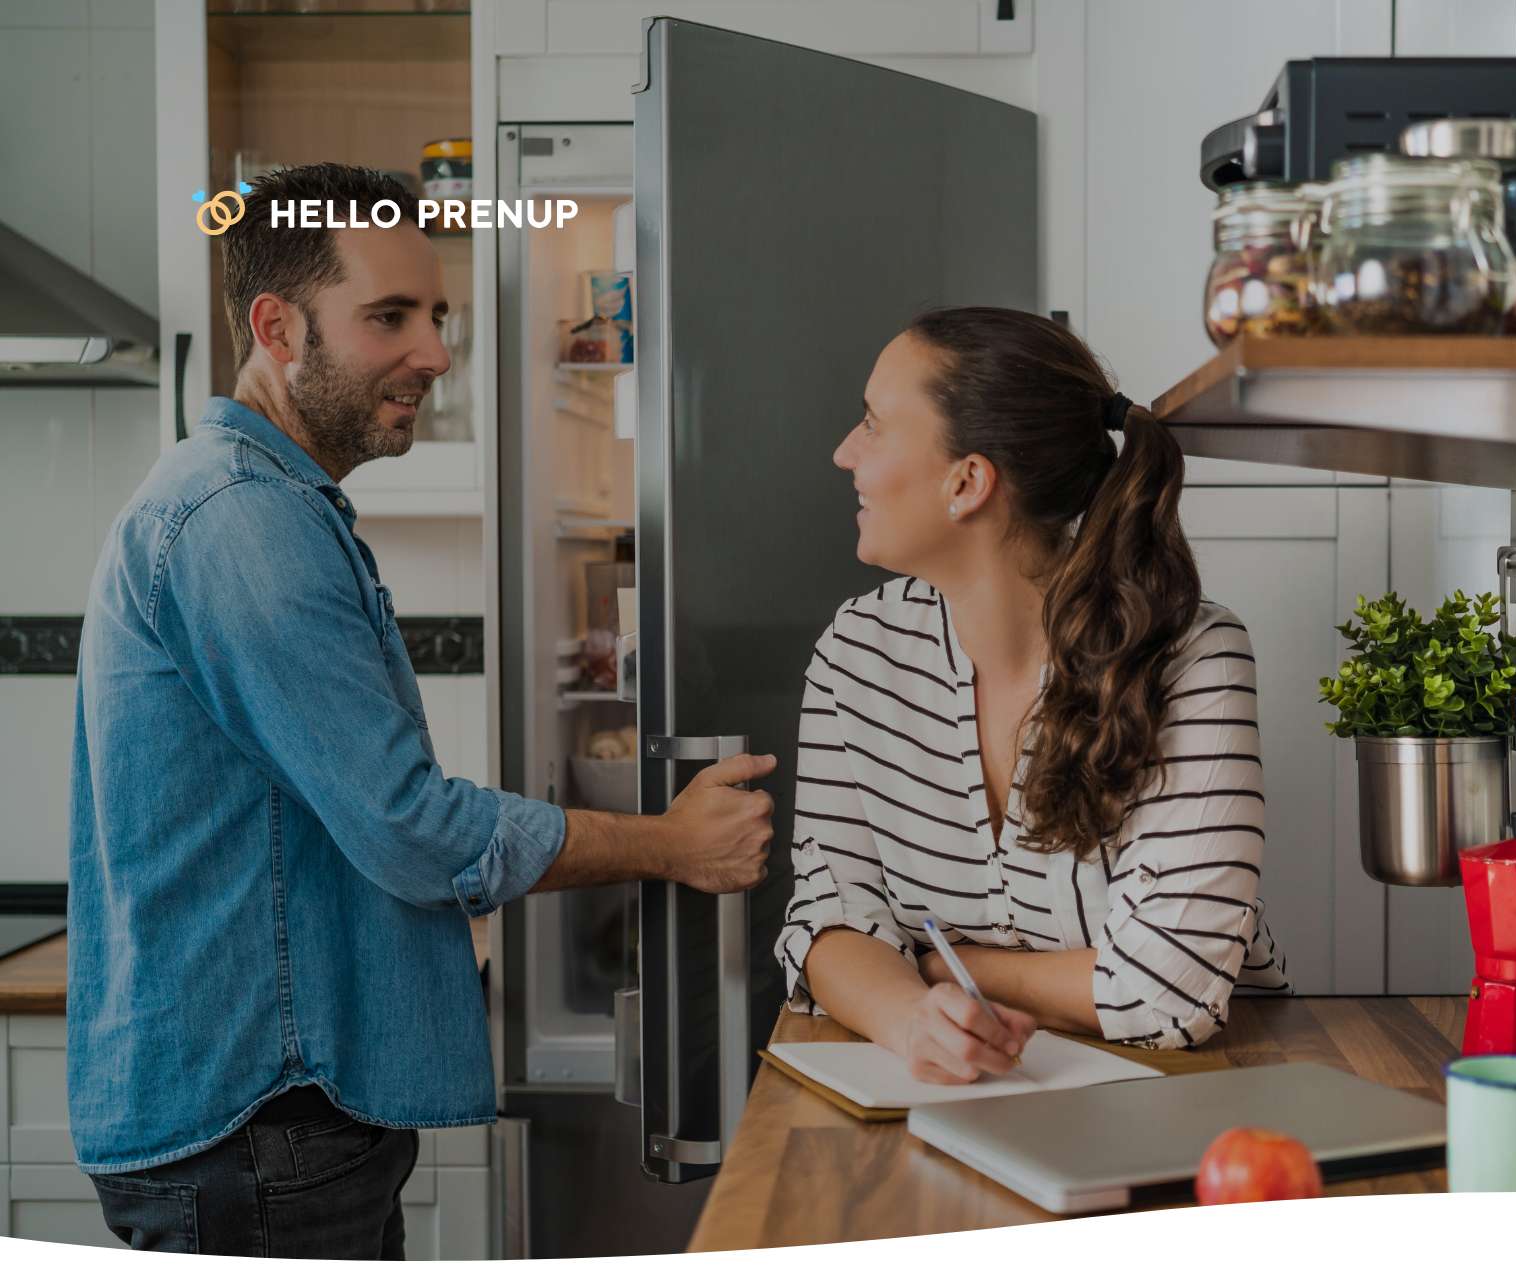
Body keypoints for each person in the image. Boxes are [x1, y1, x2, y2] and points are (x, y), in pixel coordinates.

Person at [69, 164, 775, 1257]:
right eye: (389, 316)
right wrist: (671, 843)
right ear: (278, 327)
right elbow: (409, 827)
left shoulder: (264, 504)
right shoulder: (242, 524)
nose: (437, 353)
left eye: (435, 315)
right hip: (261, 1128)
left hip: (262, 1125)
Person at [778, 307, 1287, 1085]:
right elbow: (827, 916)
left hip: (1206, 1090)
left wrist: (941, 968)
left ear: (968, 482)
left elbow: (1168, 991)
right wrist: (912, 1020)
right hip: (965, 1092)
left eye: (874, 425)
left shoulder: (1189, 658)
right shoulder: (857, 654)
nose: (845, 452)